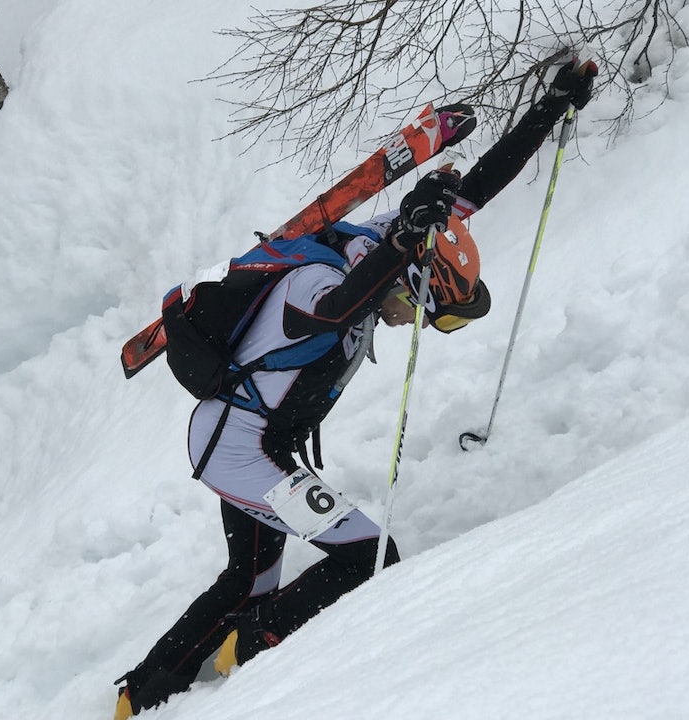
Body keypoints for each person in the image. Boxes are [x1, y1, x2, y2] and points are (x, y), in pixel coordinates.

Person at [114, 58, 597, 719]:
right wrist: (402, 241)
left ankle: (141, 696)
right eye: (420, 312)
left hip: (255, 443)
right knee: (367, 555)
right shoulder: (324, 282)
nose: (410, 323)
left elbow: (476, 190)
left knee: (249, 577)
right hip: (240, 448)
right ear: (404, 283)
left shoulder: (380, 249)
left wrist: (551, 107)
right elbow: (339, 308)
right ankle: (256, 654)